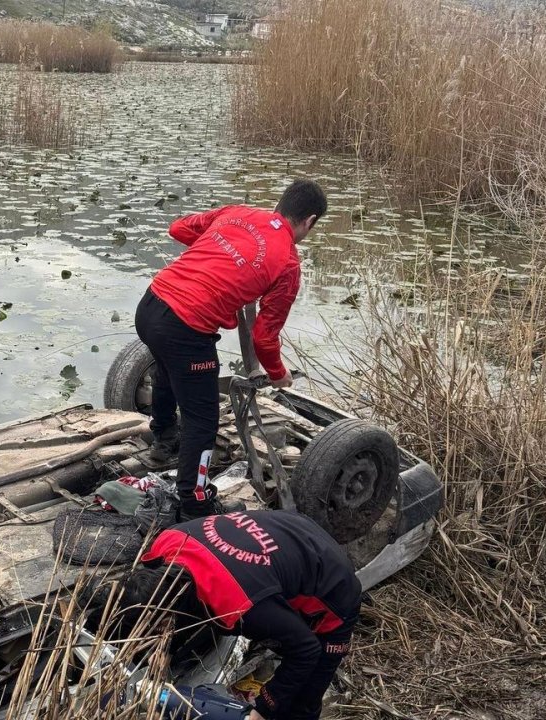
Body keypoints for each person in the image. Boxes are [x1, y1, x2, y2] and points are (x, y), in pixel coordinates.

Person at [135, 180, 327, 517]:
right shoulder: (288, 264)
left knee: (166, 372)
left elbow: (178, 228)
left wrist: (223, 255)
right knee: (202, 420)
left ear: (280, 203)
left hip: (150, 305)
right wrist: (279, 374)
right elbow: (264, 337)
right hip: (185, 328)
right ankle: (194, 503)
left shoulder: (237, 214)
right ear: (309, 221)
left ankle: (164, 440)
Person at [119, 509, 361, 720]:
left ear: (173, 607)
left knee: (304, 697)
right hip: (288, 529)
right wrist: (166, 649)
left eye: (160, 626)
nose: (159, 634)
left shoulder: (243, 604)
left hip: (333, 585)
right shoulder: (168, 542)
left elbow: (307, 650)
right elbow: (187, 613)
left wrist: (264, 708)